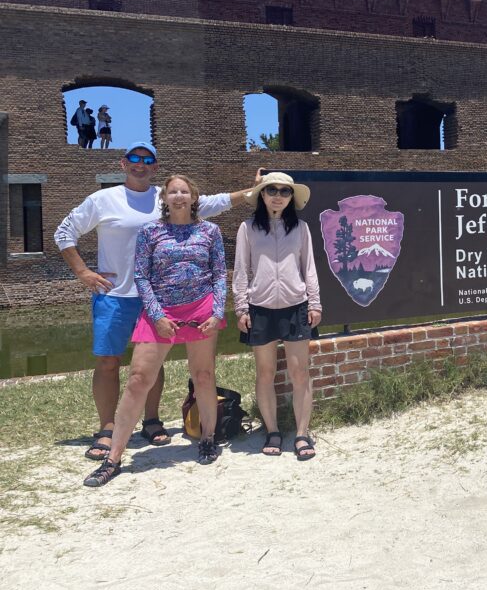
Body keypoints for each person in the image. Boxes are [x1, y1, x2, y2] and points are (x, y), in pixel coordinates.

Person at [54, 142, 254, 462]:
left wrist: (249, 192)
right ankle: (107, 429)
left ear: (155, 167)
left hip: (161, 298)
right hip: (117, 294)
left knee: (152, 364)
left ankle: (151, 419)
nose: (140, 164)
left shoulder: (166, 195)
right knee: (109, 362)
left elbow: (209, 203)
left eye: (147, 160)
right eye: (134, 159)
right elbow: (64, 233)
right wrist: (83, 271)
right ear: (123, 164)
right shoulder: (103, 199)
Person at [84, 174, 228, 486]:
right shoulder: (151, 232)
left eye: (184, 191)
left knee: (203, 376)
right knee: (138, 379)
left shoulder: (210, 231)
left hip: (201, 309)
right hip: (159, 312)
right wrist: (157, 314)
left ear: (193, 197)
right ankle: (114, 458)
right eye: (173, 191)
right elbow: (141, 276)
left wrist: (218, 312)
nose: (178, 196)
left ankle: (207, 438)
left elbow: (219, 274)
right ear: (164, 198)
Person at [233, 172, 322, 460]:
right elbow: (241, 270)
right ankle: (271, 430)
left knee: (300, 373)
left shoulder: (301, 228)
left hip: (296, 305)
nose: (278, 195)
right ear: (261, 193)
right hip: (260, 307)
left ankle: (301, 433)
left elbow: (309, 267)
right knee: (265, 373)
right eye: (272, 189)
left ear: (291, 197)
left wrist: (314, 303)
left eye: (285, 191)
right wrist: (242, 308)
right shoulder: (247, 228)